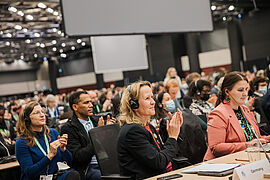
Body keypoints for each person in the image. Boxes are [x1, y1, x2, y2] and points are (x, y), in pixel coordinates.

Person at [117, 81, 183, 179]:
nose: (153, 102)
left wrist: (173, 130)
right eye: (147, 98)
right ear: (134, 104)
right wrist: (172, 137)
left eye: (152, 97)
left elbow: (164, 154)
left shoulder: (148, 126)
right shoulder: (132, 131)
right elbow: (159, 163)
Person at [204, 72, 270, 161]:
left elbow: (256, 139)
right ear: (227, 92)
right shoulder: (218, 114)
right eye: (240, 90)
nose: (245, 94)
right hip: (224, 163)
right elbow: (216, 147)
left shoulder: (245, 110)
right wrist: (247, 145)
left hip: (246, 159)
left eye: (246, 89)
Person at [15, 101, 79, 180]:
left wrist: (63, 150)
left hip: (53, 177)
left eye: (42, 112)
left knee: (73, 175)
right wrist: (49, 156)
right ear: (27, 119)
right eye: (36, 113)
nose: (42, 115)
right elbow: (29, 172)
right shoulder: (21, 142)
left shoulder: (53, 133)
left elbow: (69, 161)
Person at [61, 91, 115, 180]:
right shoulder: (69, 128)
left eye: (91, 102)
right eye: (86, 103)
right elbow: (79, 157)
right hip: (88, 167)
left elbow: (110, 147)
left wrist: (109, 131)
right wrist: (97, 133)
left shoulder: (97, 120)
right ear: (75, 107)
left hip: (107, 161)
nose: (91, 105)